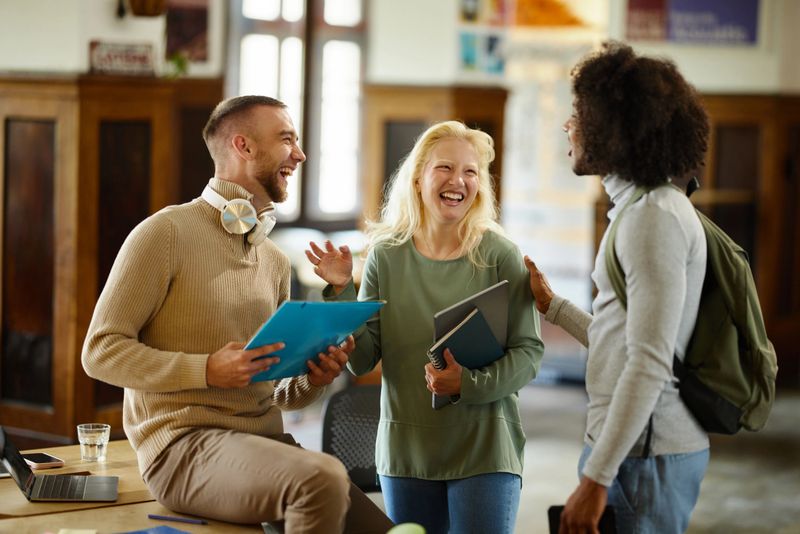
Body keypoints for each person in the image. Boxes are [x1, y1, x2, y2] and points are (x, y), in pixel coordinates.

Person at [81, 95, 393, 534]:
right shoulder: (163, 233)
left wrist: (313, 378)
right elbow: (99, 352)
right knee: (322, 477)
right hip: (181, 450)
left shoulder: (273, 260)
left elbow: (279, 392)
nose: (300, 155)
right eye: (287, 140)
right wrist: (207, 370)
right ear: (243, 146)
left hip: (265, 445)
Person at [305, 120, 545, 534]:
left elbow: (529, 353)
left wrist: (467, 383)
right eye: (445, 168)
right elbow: (362, 360)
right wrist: (342, 291)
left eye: (470, 172)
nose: (458, 181)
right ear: (418, 179)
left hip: (485, 447)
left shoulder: (501, 255)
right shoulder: (385, 255)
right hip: (406, 452)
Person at [524, 41, 711, 534]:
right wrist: (554, 307)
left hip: (642, 456)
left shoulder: (652, 217)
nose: (568, 126)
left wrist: (596, 478)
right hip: (633, 452)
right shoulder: (640, 209)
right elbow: (623, 342)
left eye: (578, 114)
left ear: (613, 126)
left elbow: (649, 361)